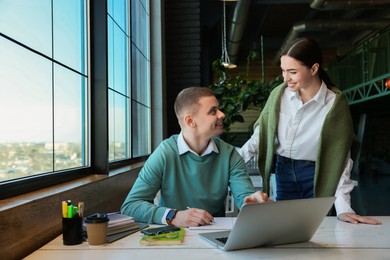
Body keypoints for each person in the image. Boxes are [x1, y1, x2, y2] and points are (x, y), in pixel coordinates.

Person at [239, 37, 381, 225]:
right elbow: (259, 138)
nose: (285, 78)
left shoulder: (334, 104)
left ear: (314, 69)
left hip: (318, 175)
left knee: (319, 232)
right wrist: (229, 165)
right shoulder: (278, 95)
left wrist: (343, 208)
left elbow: (340, 160)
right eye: (283, 70)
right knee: (282, 230)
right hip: (283, 172)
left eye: (292, 72)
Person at [121, 87, 269, 227]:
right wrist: (174, 216)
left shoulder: (229, 154)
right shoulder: (164, 153)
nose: (222, 114)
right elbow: (130, 206)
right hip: (172, 237)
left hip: (215, 236)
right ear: (190, 121)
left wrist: (252, 202)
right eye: (213, 111)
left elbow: (245, 196)